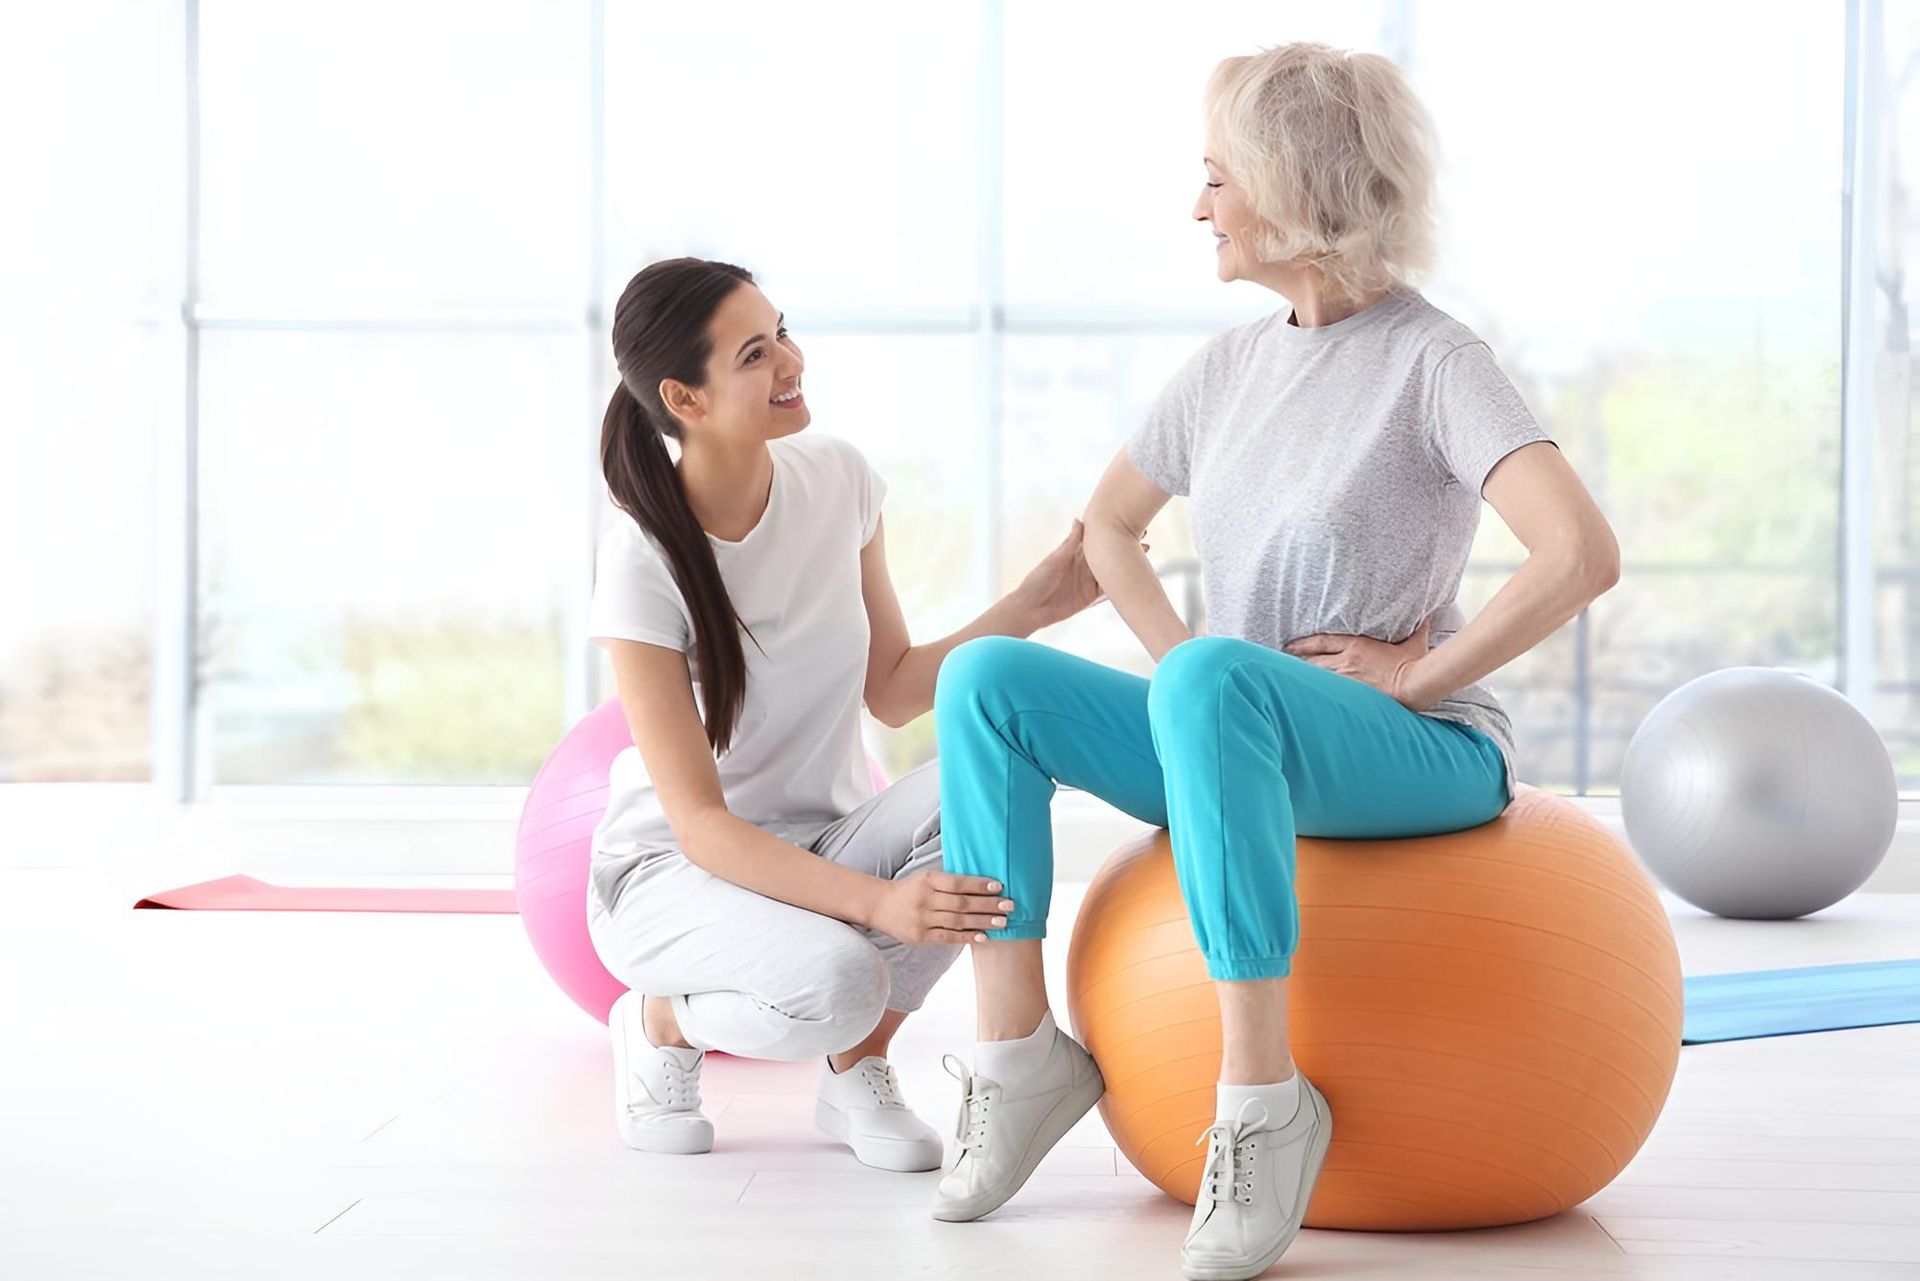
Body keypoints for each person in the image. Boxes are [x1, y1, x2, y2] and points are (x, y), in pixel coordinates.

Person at [929, 42, 1621, 1280]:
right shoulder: (1230, 368)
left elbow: (1579, 553)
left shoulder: (1433, 361)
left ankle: (1260, 1101)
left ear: (1292, 183)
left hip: (1418, 751)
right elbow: (1106, 528)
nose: (1197, 206)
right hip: (1236, 730)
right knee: (984, 682)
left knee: (1207, 684)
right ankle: (1018, 1057)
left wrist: (1419, 673)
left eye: (1215, 177)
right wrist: (1180, 661)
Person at [584, 257, 1108, 1170]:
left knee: (991, 782)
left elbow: (894, 686)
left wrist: (1032, 604)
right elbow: (703, 826)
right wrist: (877, 903)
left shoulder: (839, 479)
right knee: (840, 978)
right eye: (754, 353)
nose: (791, 360)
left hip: (817, 837)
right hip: (670, 872)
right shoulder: (642, 556)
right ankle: (661, 1017)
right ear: (685, 397)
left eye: (782, 330)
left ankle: (854, 1067)